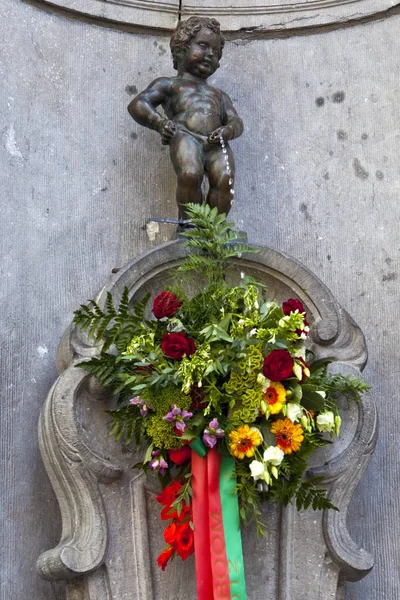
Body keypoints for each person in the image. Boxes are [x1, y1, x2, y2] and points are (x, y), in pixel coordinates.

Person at [128, 16, 244, 220]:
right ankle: (189, 225)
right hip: (185, 136)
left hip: (216, 143)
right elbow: (138, 104)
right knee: (190, 173)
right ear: (182, 48)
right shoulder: (170, 85)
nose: (209, 54)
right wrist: (160, 123)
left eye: (215, 52)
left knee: (225, 178)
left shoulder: (219, 95)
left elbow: (236, 121)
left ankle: (213, 229)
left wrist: (228, 131)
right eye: (203, 46)